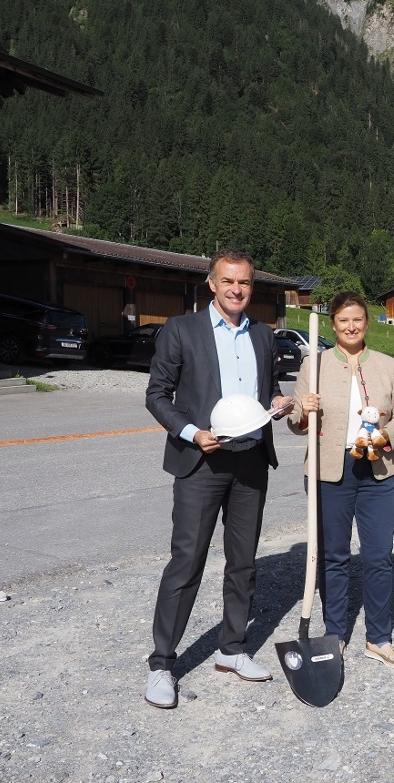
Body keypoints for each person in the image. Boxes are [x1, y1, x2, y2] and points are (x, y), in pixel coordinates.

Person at [143, 249, 294, 709]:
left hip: (250, 460)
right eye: (228, 281)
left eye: (244, 283)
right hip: (201, 461)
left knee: (243, 561)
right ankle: (162, 664)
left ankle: (232, 649)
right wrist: (192, 432)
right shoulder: (181, 330)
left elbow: (266, 389)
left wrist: (278, 402)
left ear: (252, 286)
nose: (236, 289)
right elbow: (157, 395)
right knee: (187, 561)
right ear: (212, 283)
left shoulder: (264, 336)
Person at [288, 291, 394, 668]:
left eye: (357, 319)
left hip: (377, 471)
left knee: (378, 557)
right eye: (344, 320)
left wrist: (386, 435)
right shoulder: (316, 364)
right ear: (333, 325)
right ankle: (335, 633)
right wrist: (304, 411)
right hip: (329, 471)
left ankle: (379, 637)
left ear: (367, 322)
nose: (351, 326)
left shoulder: (388, 365)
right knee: (334, 556)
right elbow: (296, 422)